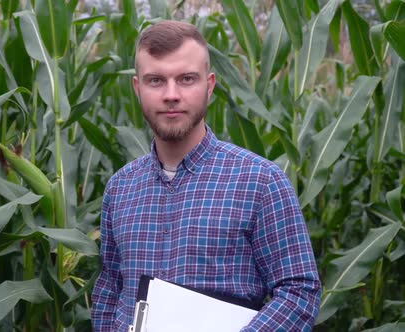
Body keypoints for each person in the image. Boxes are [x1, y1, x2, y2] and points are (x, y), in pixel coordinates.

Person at [91, 20, 321, 331]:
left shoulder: (260, 182)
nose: (171, 95)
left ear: (209, 85)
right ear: (137, 88)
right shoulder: (120, 188)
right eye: (155, 81)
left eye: (186, 79)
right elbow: (109, 291)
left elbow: (299, 292)